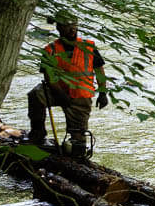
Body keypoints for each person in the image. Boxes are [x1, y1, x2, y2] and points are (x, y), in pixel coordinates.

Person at [26, 10, 109, 155]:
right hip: (56, 91)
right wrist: (60, 94)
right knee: (35, 95)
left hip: (80, 96)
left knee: (78, 143)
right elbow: (49, 77)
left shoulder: (89, 47)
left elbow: (100, 72)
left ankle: (77, 148)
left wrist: (103, 93)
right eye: (67, 26)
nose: (72, 29)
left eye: (74, 26)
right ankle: (38, 133)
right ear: (58, 28)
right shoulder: (50, 50)